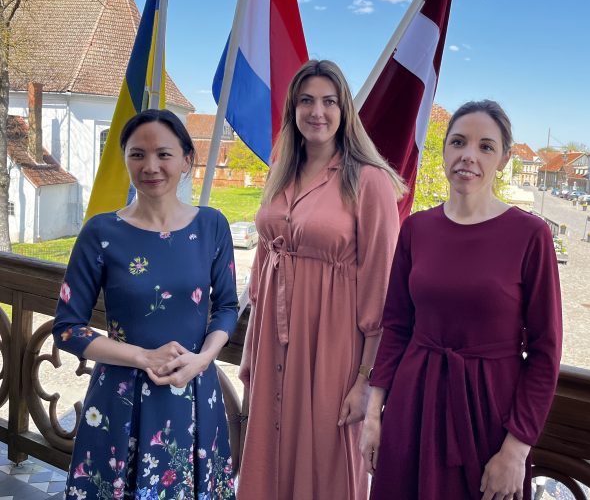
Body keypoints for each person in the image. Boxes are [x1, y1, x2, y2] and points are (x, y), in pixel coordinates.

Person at [360, 100, 562, 500]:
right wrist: (373, 415)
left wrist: (517, 448)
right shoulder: (416, 229)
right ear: (444, 152)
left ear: (504, 159)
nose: (469, 155)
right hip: (413, 405)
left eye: (486, 146)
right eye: (458, 142)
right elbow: (397, 327)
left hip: (489, 414)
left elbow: (545, 351)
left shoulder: (530, 235)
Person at [236, 59, 406, 500]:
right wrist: (251, 353)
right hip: (271, 342)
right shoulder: (281, 171)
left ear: (344, 110)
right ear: (293, 109)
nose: (317, 112)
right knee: (269, 459)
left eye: (329, 101)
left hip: (332, 347)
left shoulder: (369, 181)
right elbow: (261, 272)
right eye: (306, 101)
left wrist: (366, 379)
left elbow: (382, 290)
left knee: (327, 464)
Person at [53, 109, 238, 500]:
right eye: (137, 154)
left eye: (163, 154)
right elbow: (68, 329)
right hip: (120, 399)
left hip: (194, 393)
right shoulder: (101, 232)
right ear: (125, 159)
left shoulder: (212, 226)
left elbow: (226, 306)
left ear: (186, 160)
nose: (150, 166)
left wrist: (203, 360)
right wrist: (143, 357)